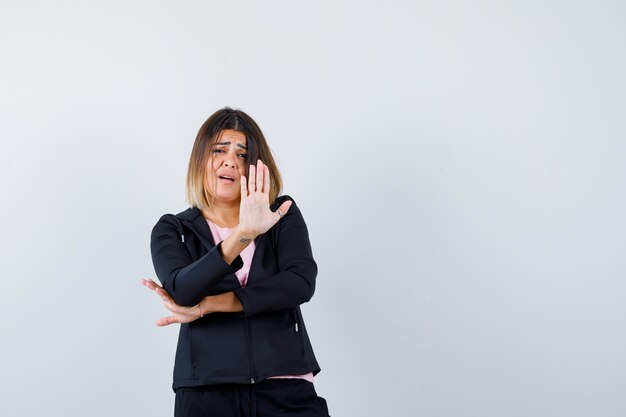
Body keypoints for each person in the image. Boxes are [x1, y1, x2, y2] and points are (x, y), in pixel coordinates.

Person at [142, 107, 331, 417]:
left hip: (286, 386)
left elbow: (300, 283)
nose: (230, 160)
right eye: (219, 149)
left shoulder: (281, 215)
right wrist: (243, 234)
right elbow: (183, 290)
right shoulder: (173, 229)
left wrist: (215, 304)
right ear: (201, 159)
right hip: (206, 392)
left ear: (255, 167)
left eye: (242, 154)